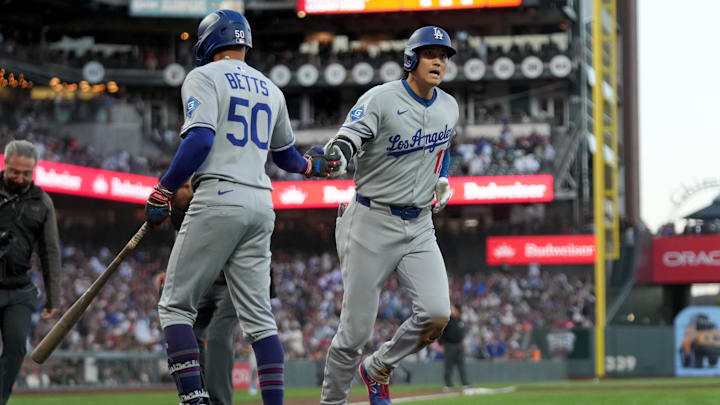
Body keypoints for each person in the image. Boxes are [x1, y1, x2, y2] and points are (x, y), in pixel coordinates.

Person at [146, 10, 339, 405]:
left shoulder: (202, 76)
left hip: (218, 195)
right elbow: (286, 157)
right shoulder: (271, 88)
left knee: (174, 308)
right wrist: (310, 167)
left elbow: (199, 140)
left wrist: (164, 190)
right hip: (260, 203)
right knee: (260, 323)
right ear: (244, 42)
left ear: (207, 41)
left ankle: (195, 401)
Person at [320, 26, 458, 405]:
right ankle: (332, 402)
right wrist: (335, 156)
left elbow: (443, 147)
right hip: (370, 220)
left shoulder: (449, 106)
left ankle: (378, 366)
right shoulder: (380, 98)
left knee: (436, 314)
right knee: (354, 333)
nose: (439, 62)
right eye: (431, 54)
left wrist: (442, 176)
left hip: (419, 225)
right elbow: (349, 138)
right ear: (411, 59)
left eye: (444, 56)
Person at [154, 181, 239, 405]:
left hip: (231, 277)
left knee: (218, 333)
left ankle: (220, 401)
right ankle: (198, 397)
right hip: (205, 281)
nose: (180, 191)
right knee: (189, 331)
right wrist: (170, 272)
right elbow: (186, 248)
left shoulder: (213, 197)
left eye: (184, 186)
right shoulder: (181, 215)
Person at [0, 140, 60, 405]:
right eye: (15, 172)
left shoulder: (42, 201)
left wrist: (53, 298)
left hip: (19, 290)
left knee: (15, 349)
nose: (20, 178)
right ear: (5, 165)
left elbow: (50, 251)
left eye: (27, 173)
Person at [439, 304, 469, 390]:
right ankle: (448, 384)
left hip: (459, 344)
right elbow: (441, 332)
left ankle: (465, 383)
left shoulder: (460, 320)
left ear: (458, 311)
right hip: (449, 344)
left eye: (454, 309)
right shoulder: (447, 320)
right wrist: (441, 344)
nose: (452, 310)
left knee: (462, 365)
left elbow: (462, 332)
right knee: (448, 366)